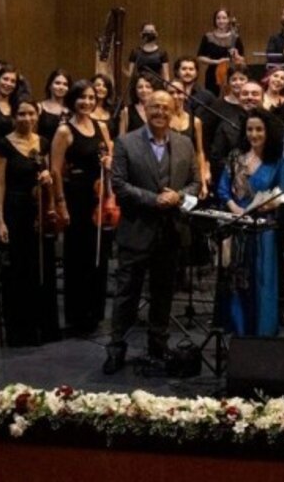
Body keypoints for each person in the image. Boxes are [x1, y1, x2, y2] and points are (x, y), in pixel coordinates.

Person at [104, 90, 201, 373]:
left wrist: (178, 196)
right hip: (136, 230)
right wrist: (153, 199)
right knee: (126, 294)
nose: (160, 112)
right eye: (154, 107)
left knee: (163, 293)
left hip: (171, 232)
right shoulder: (126, 142)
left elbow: (195, 183)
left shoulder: (184, 143)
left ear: (173, 111)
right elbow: (119, 184)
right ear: (145, 110)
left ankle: (158, 345)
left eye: (165, 108)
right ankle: (116, 348)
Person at [0, 99, 59, 346]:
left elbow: (49, 177)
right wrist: (0, 221)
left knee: (41, 268)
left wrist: (48, 179)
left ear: (37, 116)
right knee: (18, 271)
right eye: (21, 114)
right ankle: (20, 331)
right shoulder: (3, 144)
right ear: (14, 117)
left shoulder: (43, 143)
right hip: (14, 210)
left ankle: (43, 328)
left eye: (31, 113)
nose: (27, 118)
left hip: (38, 211)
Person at [216, 109, 284, 337]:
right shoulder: (236, 158)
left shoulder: (277, 161)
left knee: (262, 280)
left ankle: (262, 333)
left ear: (268, 132)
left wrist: (265, 206)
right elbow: (223, 189)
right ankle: (239, 331)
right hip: (238, 227)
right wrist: (235, 209)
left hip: (264, 230)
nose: (254, 134)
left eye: (259, 129)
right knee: (237, 280)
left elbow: (283, 192)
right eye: (250, 129)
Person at [51, 79, 113, 334]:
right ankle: (77, 316)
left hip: (99, 195)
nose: (87, 102)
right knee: (77, 257)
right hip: (76, 197)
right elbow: (55, 170)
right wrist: (61, 204)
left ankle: (94, 314)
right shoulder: (64, 131)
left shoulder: (101, 126)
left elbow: (110, 155)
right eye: (82, 98)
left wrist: (108, 161)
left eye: (91, 98)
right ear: (72, 100)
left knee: (99, 256)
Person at [196, 8, 245, 97]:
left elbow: (242, 59)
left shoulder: (235, 37)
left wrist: (237, 56)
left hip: (231, 72)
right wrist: (216, 62)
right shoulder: (208, 37)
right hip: (212, 73)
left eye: (224, 18)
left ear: (228, 20)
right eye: (218, 18)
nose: (221, 21)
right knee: (212, 96)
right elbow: (200, 57)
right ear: (215, 20)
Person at [125, 22, 171, 92]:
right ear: (141, 34)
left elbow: (166, 76)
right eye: (146, 31)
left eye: (151, 31)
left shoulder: (162, 52)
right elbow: (130, 74)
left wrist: (166, 89)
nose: (149, 33)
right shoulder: (135, 52)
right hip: (141, 85)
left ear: (156, 34)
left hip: (157, 85)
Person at [38, 69, 71, 144]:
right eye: (57, 83)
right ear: (50, 85)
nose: (61, 87)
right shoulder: (39, 108)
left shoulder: (72, 111)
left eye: (65, 84)